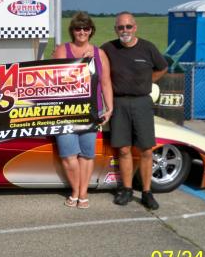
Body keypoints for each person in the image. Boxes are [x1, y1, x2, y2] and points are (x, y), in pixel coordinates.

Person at [101, 11, 168, 210]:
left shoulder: (148, 48)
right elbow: (95, 61)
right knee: (123, 149)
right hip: (118, 103)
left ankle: (147, 192)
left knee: (146, 149)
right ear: (116, 29)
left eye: (128, 26)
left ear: (135, 27)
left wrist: (147, 81)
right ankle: (127, 189)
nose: (125, 30)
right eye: (121, 27)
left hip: (142, 103)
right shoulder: (108, 48)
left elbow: (162, 67)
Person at [52, 12, 113, 209]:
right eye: (78, 28)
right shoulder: (63, 50)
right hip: (65, 112)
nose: (82, 32)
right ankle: (76, 191)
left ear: (91, 31)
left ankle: (83, 193)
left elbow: (105, 83)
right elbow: (55, 79)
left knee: (87, 155)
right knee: (68, 155)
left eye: (86, 28)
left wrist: (109, 107)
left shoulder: (99, 53)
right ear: (72, 31)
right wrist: (82, 64)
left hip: (91, 111)